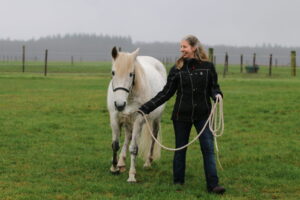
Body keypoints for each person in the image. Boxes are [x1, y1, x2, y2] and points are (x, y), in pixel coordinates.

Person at [138, 35, 225, 194]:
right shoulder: (176, 69)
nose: (181, 50)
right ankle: (178, 182)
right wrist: (146, 107)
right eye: (181, 47)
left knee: (208, 149)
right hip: (181, 116)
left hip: (203, 115)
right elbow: (165, 93)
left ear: (193, 48)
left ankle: (213, 184)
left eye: (184, 47)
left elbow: (214, 88)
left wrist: (217, 95)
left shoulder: (208, 67)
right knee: (180, 150)